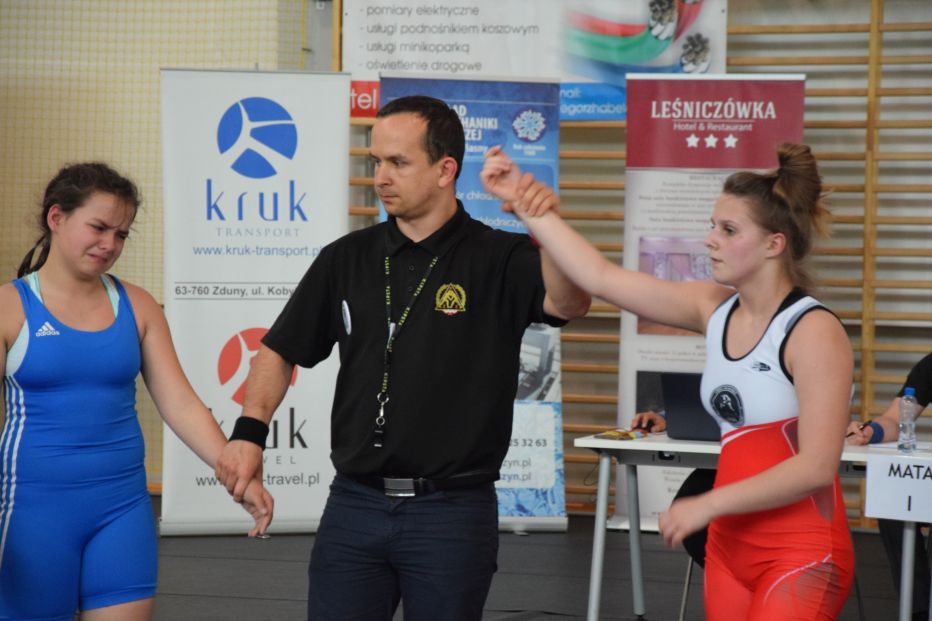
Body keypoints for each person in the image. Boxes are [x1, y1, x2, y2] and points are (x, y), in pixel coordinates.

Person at [214, 95, 591, 621]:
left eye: (398, 162)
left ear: (445, 170)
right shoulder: (346, 258)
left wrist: (544, 225)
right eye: (376, 162)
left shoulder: (501, 257)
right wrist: (249, 433)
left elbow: (571, 303)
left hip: (452, 512)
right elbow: (278, 350)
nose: (381, 177)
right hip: (354, 504)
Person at [483, 143, 855, 620]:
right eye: (712, 225)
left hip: (799, 552)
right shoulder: (713, 307)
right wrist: (533, 210)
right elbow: (600, 277)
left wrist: (708, 503)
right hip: (729, 549)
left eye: (728, 230)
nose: (709, 240)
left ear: (774, 244)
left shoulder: (813, 331)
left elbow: (816, 467)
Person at [0, 163, 273, 621]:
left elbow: (181, 403)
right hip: (32, 512)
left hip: (121, 511)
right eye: (99, 227)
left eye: (121, 234)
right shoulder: (10, 307)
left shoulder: (138, 305)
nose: (109, 244)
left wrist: (237, 475)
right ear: (57, 218)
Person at [846, 353, 932, 621]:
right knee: (894, 504)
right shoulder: (930, 366)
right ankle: (918, 607)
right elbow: (895, 420)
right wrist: (870, 431)